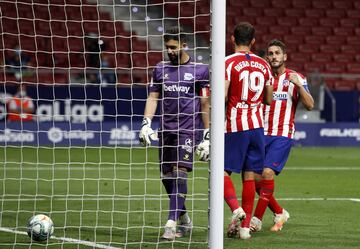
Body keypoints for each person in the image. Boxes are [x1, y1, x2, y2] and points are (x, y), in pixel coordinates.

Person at [138, 26, 210, 240]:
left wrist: (207, 133)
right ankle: (184, 218)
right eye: (167, 47)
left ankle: (170, 222)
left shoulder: (200, 70)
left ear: (184, 45)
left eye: (173, 47)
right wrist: (146, 123)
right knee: (166, 176)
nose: (169, 51)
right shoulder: (160, 68)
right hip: (166, 129)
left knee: (180, 172)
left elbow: (205, 102)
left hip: (188, 128)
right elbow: (153, 97)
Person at [250, 39, 314, 233]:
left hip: (282, 134)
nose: (274, 56)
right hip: (261, 133)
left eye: (277, 53)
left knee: (267, 173)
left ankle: (256, 220)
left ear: (284, 56)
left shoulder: (296, 77)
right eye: (270, 53)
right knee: (254, 178)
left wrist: (299, 86)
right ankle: (279, 212)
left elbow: (310, 105)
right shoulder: (262, 77)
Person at [223, 22, 273, 239]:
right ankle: (244, 230)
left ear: (232, 39)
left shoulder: (227, 62)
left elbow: (223, 95)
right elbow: (269, 99)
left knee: (221, 172)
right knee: (249, 176)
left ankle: (236, 209)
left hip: (235, 125)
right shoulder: (264, 65)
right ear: (253, 41)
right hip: (257, 126)